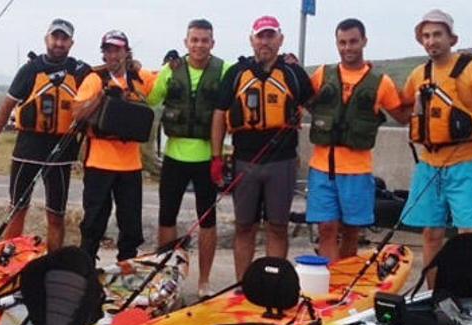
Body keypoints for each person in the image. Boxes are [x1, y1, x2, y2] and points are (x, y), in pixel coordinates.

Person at [401, 9, 472, 286]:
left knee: (469, 235)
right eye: (425, 35)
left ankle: (470, 292)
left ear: (452, 38)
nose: (431, 40)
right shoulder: (418, 74)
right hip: (429, 166)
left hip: (467, 164)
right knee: (430, 235)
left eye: (437, 34)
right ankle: (434, 295)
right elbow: (404, 111)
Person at [211, 16, 314, 281]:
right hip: (245, 161)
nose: (265, 41)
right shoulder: (236, 74)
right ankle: (243, 285)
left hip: (283, 161)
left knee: (277, 227)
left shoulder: (293, 73)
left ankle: (272, 283)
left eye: (270, 36)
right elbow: (219, 114)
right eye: (260, 36)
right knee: (245, 226)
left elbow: (317, 107)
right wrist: (216, 158)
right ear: (252, 40)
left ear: (280, 40)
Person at [0, 19, 90, 252]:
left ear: (71, 43)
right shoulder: (30, 70)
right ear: (47, 39)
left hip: (61, 152)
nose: (59, 43)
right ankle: (7, 261)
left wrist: (132, 64)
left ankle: (52, 264)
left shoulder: (80, 72)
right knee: (17, 209)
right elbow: (6, 106)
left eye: (64, 39)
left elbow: (106, 79)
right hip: (28, 150)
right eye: (55, 37)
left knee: (56, 215)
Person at [306, 18, 408, 261]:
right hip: (322, 168)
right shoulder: (323, 74)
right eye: (342, 42)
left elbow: (402, 115)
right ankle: (329, 280)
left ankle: (344, 280)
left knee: (351, 230)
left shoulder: (381, 83)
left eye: (353, 42)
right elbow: (306, 102)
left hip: (357, 170)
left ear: (364, 41)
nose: (348, 48)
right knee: (326, 228)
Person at [147, 19, 228, 297]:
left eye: (205, 40)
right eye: (194, 40)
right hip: (174, 156)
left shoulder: (224, 70)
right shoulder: (172, 71)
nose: (199, 45)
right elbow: (150, 98)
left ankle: (204, 281)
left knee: (208, 221)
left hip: (207, 157)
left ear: (212, 43)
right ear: (186, 42)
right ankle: (166, 279)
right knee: (166, 217)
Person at [72, 30, 157, 261]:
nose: (113, 55)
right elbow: (77, 112)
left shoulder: (140, 78)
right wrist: (100, 97)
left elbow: (162, 82)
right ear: (103, 53)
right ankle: (87, 264)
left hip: (130, 165)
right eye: (109, 50)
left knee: (131, 223)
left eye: (118, 49)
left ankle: (127, 265)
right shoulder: (94, 79)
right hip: (99, 162)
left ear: (126, 52)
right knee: (94, 220)